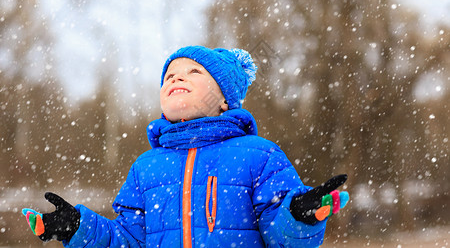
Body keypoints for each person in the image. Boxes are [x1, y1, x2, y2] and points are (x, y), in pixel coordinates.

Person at [22, 45, 349, 247]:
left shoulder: (259, 155)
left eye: (193, 71)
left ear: (224, 99)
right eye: (169, 76)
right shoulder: (146, 166)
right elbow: (130, 241)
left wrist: (298, 216)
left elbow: (281, 240)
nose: (177, 78)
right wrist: (79, 228)